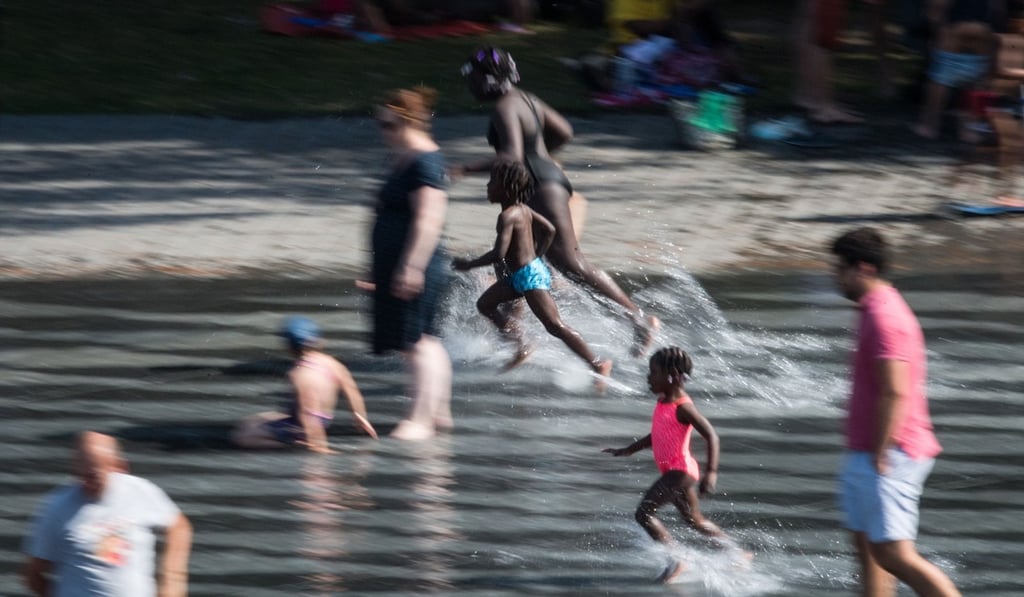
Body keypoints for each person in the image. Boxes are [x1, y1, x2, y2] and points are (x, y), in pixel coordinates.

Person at [457, 46, 659, 357]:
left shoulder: (503, 107)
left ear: (488, 79)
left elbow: (510, 156)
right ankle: (515, 335)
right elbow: (564, 131)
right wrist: (540, 156)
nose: (469, 86)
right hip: (544, 179)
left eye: (473, 79)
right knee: (518, 257)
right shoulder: (526, 98)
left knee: (571, 262)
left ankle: (638, 319)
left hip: (540, 186)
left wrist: (465, 168)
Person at [830, 227, 960, 596]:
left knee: (893, 553)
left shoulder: (886, 317)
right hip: (868, 451)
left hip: (891, 451)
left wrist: (881, 451)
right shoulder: (871, 311)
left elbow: (896, 390)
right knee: (868, 549)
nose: (834, 275)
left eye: (840, 268)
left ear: (864, 268)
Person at [452, 160, 613, 384]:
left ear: (507, 188)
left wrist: (469, 264)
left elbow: (499, 254)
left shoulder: (508, 217)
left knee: (554, 325)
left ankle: (597, 363)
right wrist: (536, 254)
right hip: (522, 275)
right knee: (485, 304)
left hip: (530, 277)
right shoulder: (524, 210)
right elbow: (549, 229)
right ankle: (520, 345)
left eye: (492, 182)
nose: (487, 186)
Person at [603, 346, 742, 583]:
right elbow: (656, 436)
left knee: (643, 513)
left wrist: (712, 473)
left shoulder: (683, 407)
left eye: (653, 372)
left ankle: (677, 559)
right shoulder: (664, 403)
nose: (648, 377)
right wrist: (628, 450)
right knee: (694, 521)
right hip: (675, 472)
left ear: (672, 376)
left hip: (680, 471)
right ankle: (736, 553)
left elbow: (712, 436)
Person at [369, 86, 453, 441]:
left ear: (407, 122)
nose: (382, 131)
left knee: (416, 343)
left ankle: (419, 419)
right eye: (380, 124)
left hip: (416, 262)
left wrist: (412, 266)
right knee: (424, 340)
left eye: (388, 124)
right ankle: (439, 412)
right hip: (399, 260)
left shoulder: (425, 161)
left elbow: (429, 219)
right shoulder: (405, 157)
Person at [22, 431, 193, 597]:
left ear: (118, 468)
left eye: (93, 476)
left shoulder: (140, 492)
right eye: (80, 475)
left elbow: (180, 527)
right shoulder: (57, 507)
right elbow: (34, 576)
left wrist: (172, 579)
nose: (85, 483)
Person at [233, 316, 378, 454]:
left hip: (303, 425)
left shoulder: (300, 375)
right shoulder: (332, 363)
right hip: (324, 418)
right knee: (256, 419)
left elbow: (309, 414)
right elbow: (352, 390)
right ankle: (299, 439)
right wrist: (360, 416)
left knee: (243, 437)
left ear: (290, 347)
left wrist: (318, 446)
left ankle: (293, 445)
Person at [911, 0, 1005, 140]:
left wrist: (935, 29)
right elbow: (998, 7)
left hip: (955, 27)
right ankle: (968, 129)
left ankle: (930, 125)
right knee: (975, 79)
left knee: (940, 78)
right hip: (982, 28)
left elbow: (938, 5)